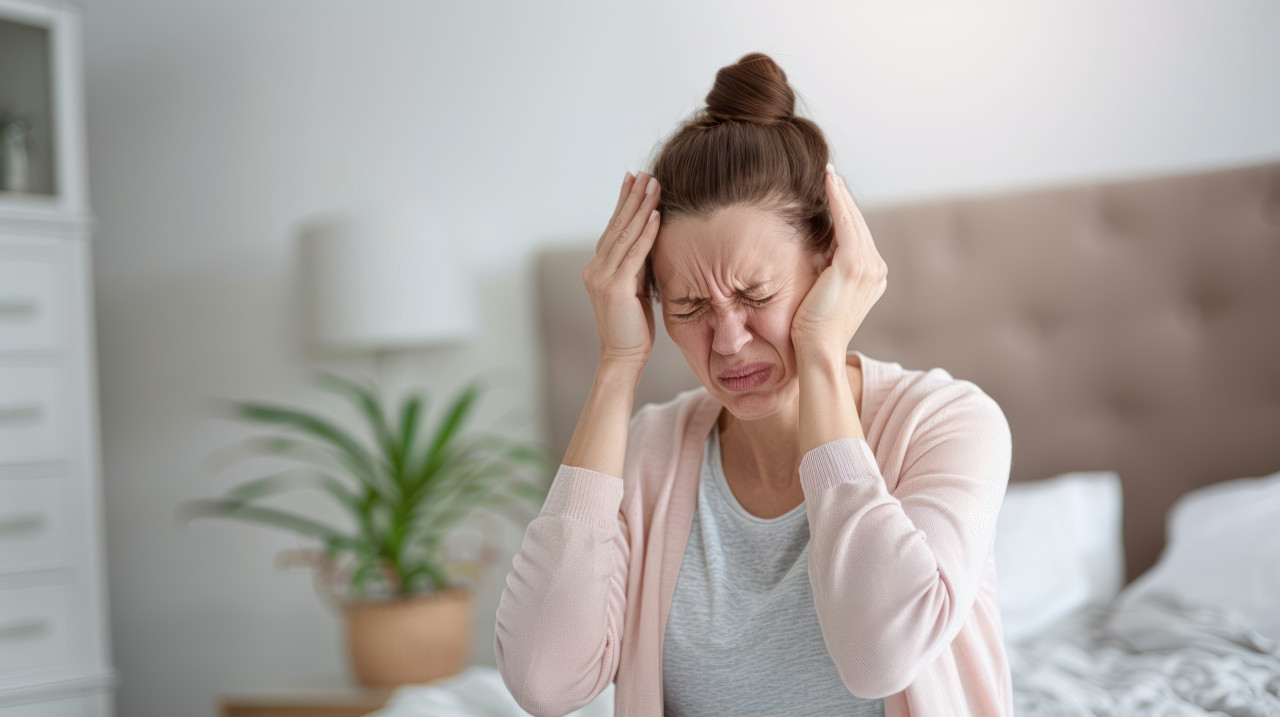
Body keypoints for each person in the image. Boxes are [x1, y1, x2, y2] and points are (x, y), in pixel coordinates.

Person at [494, 52, 1013, 717]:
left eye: (756, 293)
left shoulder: (947, 423)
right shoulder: (651, 452)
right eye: (689, 308)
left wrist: (821, 354)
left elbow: (879, 654)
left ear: (830, 263)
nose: (729, 341)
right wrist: (616, 364)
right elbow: (544, 678)